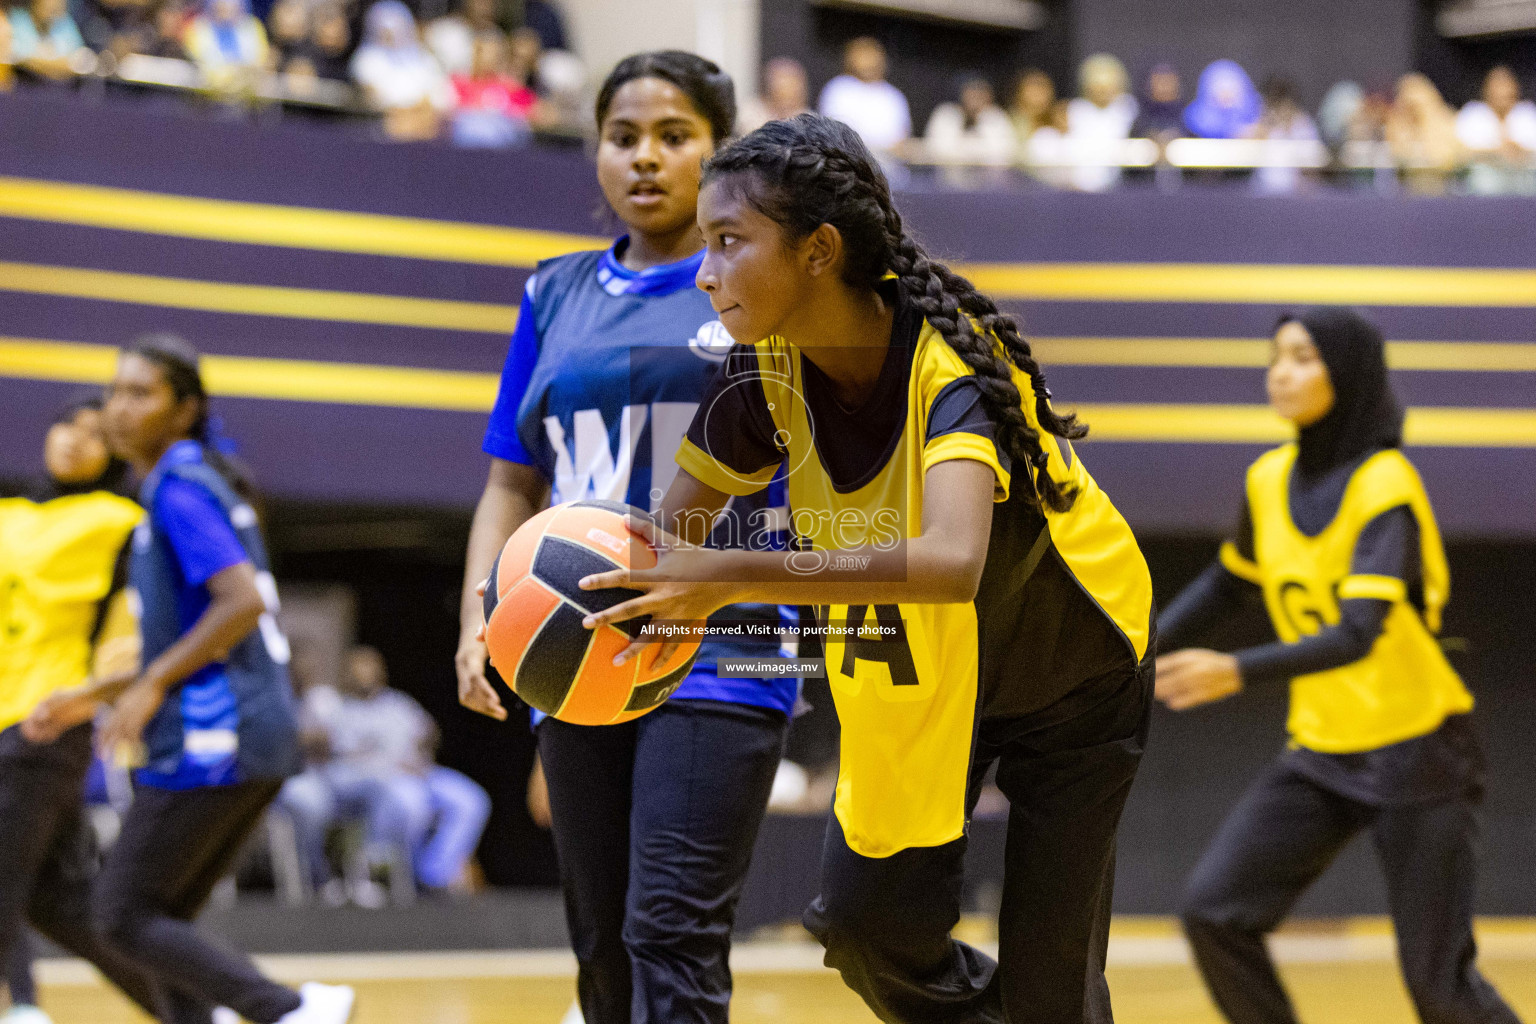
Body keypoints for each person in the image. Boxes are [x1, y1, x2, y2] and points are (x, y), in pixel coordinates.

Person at [581, 112, 1156, 1024]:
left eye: (729, 241)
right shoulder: (754, 376)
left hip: (1072, 678)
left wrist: (732, 574)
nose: (704, 271)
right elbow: (667, 546)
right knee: (862, 927)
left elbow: (951, 560)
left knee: (1053, 991)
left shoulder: (951, 362)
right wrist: (587, 593)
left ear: (818, 250)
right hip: (923, 674)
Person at [456, 51, 796, 1024]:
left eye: (675, 135)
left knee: (672, 935)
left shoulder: (762, 281)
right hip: (573, 647)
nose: (646, 158)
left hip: (724, 642)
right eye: (623, 136)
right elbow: (508, 482)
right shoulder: (552, 291)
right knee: (602, 953)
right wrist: (481, 613)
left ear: (723, 151)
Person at [1155, 308, 1523, 1024]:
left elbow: (1359, 633)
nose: (1280, 372)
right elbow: (1231, 580)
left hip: (1420, 751)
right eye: (1275, 358)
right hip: (1324, 750)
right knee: (1215, 915)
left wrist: (1235, 670)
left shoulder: (1385, 484)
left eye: (1302, 357)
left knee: (1439, 990)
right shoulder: (1268, 479)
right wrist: (1144, 645)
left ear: (1347, 373)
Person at [25, 336, 355, 1024]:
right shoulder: (181, 487)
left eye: (140, 393)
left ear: (185, 410)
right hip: (250, 731)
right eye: (114, 391)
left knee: (120, 914)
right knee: (160, 920)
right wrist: (90, 697)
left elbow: (243, 602)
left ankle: (289, 1010)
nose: (118, 408)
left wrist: (149, 687)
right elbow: (190, 636)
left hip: (219, 733)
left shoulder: (180, 487)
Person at [0, 399, 160, 1024]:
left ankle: (23, 1007)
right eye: (69, 424)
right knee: (57, 904)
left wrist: (112, 696)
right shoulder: (8, 515)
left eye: (97, 436)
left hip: (45, 721)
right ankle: (191, 1009)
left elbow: (136, 632)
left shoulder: (121, 519)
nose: (75, 441)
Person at [277, 646, 491, 900]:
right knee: (408, 802)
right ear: (346, 674)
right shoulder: (337, 708)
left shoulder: (399, 703)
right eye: (357, 669)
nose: (364, 674)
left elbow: (429, 733)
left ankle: (435, 876)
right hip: (384, 780)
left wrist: (422, 752)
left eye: (370, 668)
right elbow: (326, 748)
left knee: (469, 799)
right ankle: (388, 874)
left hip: (419, 772)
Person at [351, 0, 453, 140]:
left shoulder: (425, 58)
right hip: (384, 130)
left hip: (424, 129)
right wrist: (402, 113)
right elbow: (372, 98)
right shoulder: (366, 59)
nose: (391, 33)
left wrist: (417, 113)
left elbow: (440, 95)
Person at [818, 36, 911, 157]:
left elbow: (902, 138)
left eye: (871, 54)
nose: (868, 60)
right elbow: (833, 132)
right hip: (847, 162)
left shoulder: (894, 96)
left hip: (888, 166)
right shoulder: (838, 88)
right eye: (863, 54)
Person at [1455, 65, 1536, 195]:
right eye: (1497, 86)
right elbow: (1461, 152)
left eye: (1505, 85)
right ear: (1486, 89)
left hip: (1523, 175)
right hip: (1486, 175)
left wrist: (1518, 149)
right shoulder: (1474, 113)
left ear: (1515, 88)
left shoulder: (1526, 112)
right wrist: (1496, 152)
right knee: (1482, 180)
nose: (1501, 91)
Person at [1063, 53, 1138, 191]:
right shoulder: (1075, 110)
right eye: (1098, 85)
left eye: (1108, 85)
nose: (1103, 91)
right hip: (1077, 189)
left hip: (1119, 188)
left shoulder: (1128, 110)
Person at [1386, 74, 1461, 195]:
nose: (1412, 110)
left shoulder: (1445, 121)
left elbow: (1447, 157)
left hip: (1441, 190)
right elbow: (1396, 155)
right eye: (1408, 105)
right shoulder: (1397, 123)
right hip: (1407, 192)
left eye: (1416, 105)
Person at [923, 75, 1016, 166]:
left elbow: (1004, 151)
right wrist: (977, 150)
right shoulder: (946, 114)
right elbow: (938, 150)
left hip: (987, 175)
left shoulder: (996, 116)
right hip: (949, 173)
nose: (975, 100)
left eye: (980, 95)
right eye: (971, 94)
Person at [1248, 76, 1319, 194]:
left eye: (1284, 105)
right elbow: (1247, 153)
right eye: (1274, 105)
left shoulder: (1303, 127)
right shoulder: (1263, 124)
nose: (1281, 111)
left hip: (1295, 193)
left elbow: (1312, 169)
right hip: (1262, 191)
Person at [7, 0, 91, 83]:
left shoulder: (64, 23)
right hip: (24, 86)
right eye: (48, 2)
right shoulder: (17, 20)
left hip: (59, 89)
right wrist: (60, 66)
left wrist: (42, 64)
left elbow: (79, 60)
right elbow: (19, 59)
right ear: (35, 3)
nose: (53, 6)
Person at [183, 0, 269, 79]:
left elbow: (262, 61)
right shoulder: (197, 27)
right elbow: (199, 63)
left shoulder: (253, 27)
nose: (225, 5)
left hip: (248, 89)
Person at [1184, 58, 1262, 139]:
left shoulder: (1250, 111)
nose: (1226, 95)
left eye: (1231, 88)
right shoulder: (1197, 117)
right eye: (1222, 89)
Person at [737, 55, 810, 134]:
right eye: (781, 96)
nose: (786, 104)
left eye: (792, 99)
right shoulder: (750, 115)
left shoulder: (808, 119)